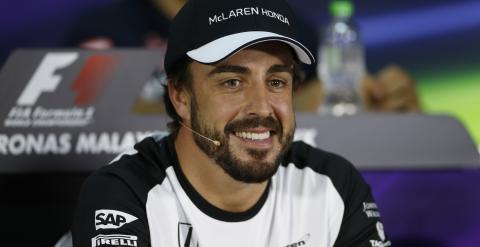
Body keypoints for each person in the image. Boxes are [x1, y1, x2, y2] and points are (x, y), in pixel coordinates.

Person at [72, 0, 391, 246]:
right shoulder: (125, 194)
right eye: (232, 82)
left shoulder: (334, 185)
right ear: (180, 95)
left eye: (277, 81)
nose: (261, 106)